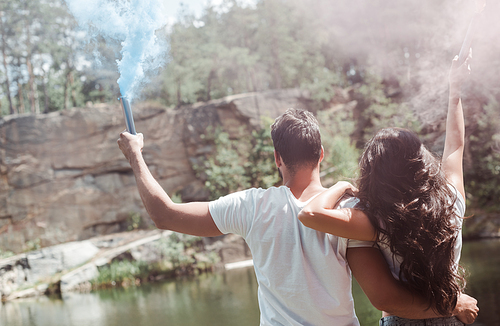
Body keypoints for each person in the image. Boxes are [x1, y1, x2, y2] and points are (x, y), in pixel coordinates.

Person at [118, 108, 477, 325]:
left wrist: (136, 155)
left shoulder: (248, 207)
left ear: (277, 157)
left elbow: (164, 215)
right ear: (321, 153)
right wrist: (449, 302)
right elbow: (385, 294)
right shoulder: (351, 212)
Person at [299, 54, 477, 326]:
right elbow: (455, 146)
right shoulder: (452, 202)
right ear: (422, 164)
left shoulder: (378, 222)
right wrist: (454, 91)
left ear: (375, 176)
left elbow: (309, 214)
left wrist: (342, 185)